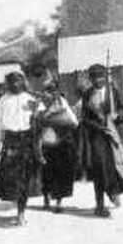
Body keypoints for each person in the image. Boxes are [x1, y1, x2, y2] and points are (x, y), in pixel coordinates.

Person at [0, 71, 44, 226]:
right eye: (12, 81)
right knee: (12, 178)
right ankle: (18, 208)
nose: (15, 84)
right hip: (10, 140)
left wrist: (37, 111)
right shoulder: (3, 101)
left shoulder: (30, 99)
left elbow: (42, 117)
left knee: (25, 178)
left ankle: (21, 213)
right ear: (8, 83)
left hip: (26, 140)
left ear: (23, 82)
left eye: (18, 81)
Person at [79, 64, 123, 217]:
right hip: (97, 136)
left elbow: (122, 109)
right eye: (94, 78)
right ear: (90, 79)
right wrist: (98, 127)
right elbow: (85, 118)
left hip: (112, 134)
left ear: (105, 77)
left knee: (115, 165)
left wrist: (118, 117)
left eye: (101, 77)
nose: (98, 80)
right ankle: (100, 205)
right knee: (99, 168)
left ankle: (114, 192)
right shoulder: (87, 94)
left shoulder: (112, 92)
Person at [39, 80, 79, 213]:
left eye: (52, 90)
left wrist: (52, 119)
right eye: (47, 90)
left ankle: (58, 202)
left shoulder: (62, 102)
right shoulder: (41, 104)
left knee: (61, 172)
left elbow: (73, 121)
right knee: (47, 172)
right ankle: (46, 198)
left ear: (56, 90)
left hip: (62, 141)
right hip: (47, 141)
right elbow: (38, 120)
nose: (50, 93)